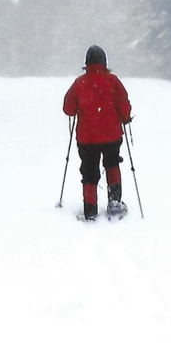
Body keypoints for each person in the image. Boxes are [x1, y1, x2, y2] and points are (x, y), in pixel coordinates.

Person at [63, 45, 133, 220]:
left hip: (87, 138)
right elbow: (124, 104)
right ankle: (115, 201)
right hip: (112, 135)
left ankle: (90, 208)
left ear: (87, 63)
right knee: (112, 165)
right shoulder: (113, 81)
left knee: (89, 171)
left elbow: (68, 109)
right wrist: (125, 118)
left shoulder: (80, 83)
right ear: (104, 62)